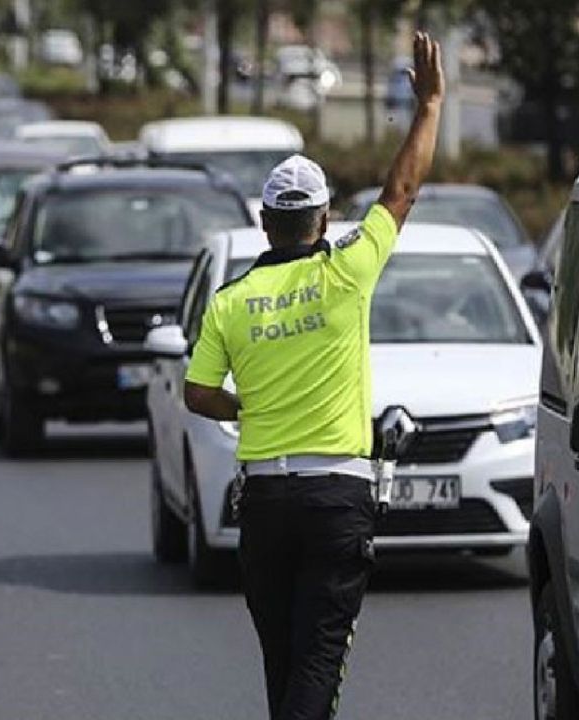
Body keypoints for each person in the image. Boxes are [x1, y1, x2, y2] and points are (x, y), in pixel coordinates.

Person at [182, 32, 444, 720]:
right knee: (318, 663)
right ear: (324, 220)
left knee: (285, 662)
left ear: (266, 223)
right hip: (337, 499)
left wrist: (245, 404)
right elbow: (403, 189)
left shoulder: (231, 301)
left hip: (266, 502)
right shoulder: (348, 271)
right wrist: (430, 106)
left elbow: (196, 392)